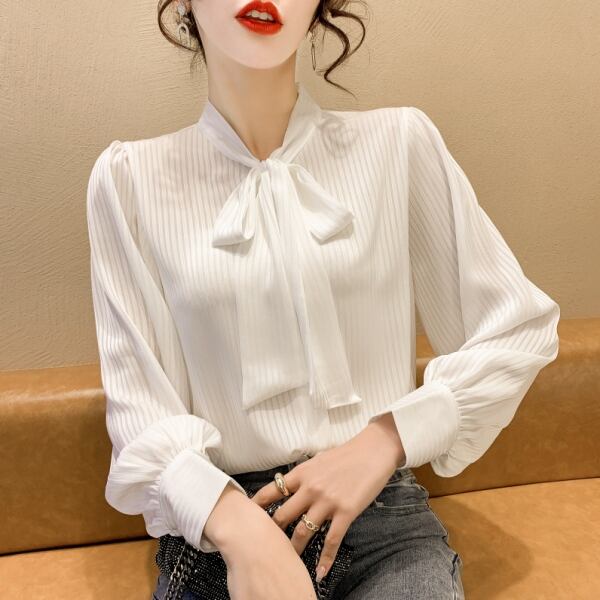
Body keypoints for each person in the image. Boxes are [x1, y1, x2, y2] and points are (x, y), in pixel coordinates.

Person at [86, 1, 561, 599]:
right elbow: (141, 411)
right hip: (220, 531)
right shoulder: (128, 179)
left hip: (381, 522)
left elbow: (518, 328)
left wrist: (386, 438)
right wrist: (240, 530)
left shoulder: (399, 144)